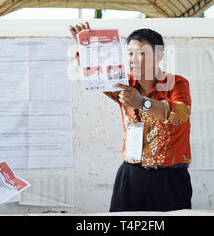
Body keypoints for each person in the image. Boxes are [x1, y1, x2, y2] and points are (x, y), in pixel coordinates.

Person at [69, 22, 192, 212]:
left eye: (141, 53)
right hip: (131, 174)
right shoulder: (124, 84)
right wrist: (85, 47)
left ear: (158, 56)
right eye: (130, 54)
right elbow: (96, 75)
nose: (133, 59)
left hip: (170, 178)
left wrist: (142, 103)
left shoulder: (176, 83)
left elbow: (182, 113)